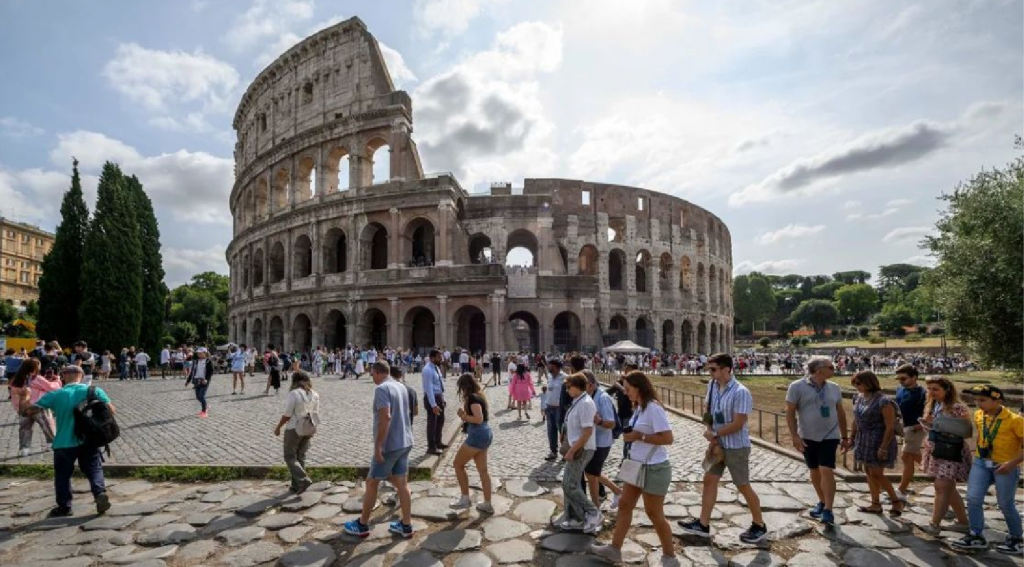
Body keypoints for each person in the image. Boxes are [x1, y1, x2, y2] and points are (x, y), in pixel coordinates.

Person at [590, 371, 677, 566]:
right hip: (636, 464)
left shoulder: (654, 408)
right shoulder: (639, 407)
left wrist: (639, 437)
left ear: (639, 388)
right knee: (624, 505)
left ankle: (669, 556)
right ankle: (614, 549)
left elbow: (668, 438)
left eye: (628, 389)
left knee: (654, 513)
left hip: (654, 468)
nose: (625, 392)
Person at [678, 353, 767, 543]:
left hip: (736, 446)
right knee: (709, 480)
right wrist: (709, 429)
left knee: (742, 485)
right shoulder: (712, 386)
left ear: (727, 369)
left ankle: (759, 525)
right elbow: (708, 411)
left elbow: (739, 423)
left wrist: (716, 434)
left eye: (713, 369)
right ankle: (703, 524)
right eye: (709, 369)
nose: (710, 372)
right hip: (717, 444)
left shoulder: (741, 392)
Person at [23, 365, 113, 517]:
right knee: (94, 468)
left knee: (63, 475)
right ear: (81, 376)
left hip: (63, 442)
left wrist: (25, 397)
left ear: (63, 376)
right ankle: (99, 493)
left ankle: (65, 507)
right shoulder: (94, 391)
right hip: (88, 440)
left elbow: (28, 412)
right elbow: (111, 410)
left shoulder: (55, 394)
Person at [343, 361, 415, 539]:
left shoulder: (382, 389)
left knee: (371, 482)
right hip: (405, 441)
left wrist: (378, 446)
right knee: (402, 484)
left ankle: (362, 525)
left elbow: (385, 417)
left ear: (376, 372)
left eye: (372, 374)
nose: (372, 377)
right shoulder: (401, 386)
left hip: (390, 445)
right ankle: (406, 526)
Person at [950, 385, 1024, 554]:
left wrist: (1011, 464)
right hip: (981, 463)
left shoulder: (1015, 420)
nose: (978, 403)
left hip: (1005, 465)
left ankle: (1017, 539)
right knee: (973, 498)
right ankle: (976, 535)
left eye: (982, 400)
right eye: (976, 400)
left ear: (997, 400)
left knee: (1005, 504)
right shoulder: (978, 415)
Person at [785, 355, 848, 527]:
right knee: (814, 469)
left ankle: (828, 509)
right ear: (819, 370)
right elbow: (790, 412)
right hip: (807, 435)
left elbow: (841, 412)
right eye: (831, 367)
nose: (834, 369)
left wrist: (844, 436)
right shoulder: (796, 386)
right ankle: (822, 500)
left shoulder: (834, 387)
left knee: (826, 469)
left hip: (830, 435)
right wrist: (794, 435)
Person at [845, 371, 903, 516]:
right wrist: (852, 437)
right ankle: (875, 503)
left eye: (859, 383)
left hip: (879, 439)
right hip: (863, 439)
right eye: (854, 383)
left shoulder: (884, 401)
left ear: (869, 382)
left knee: (877, 473)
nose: (856, 386)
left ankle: (896, 501)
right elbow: (856, 419)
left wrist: (883, 447)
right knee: (869, 472)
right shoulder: (858, 397)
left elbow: (890, 426)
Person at [919, 376, 972, 535]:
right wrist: (927, 423)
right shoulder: (933, 405)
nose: (931, 392)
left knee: (941, 487)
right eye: (929, 389)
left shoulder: (957, 408)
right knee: (948, 488)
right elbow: (932, 427)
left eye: (935, 389)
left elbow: (966, 431)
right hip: (936, 449)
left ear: (947, 390)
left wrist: (939, 424)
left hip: (951, 451)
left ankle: (934, 525)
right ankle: (963, 522)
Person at [553, 372, 602, 533]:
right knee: (568, 483)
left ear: (577, 387)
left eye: (569, 387)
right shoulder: (578, 401)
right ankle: (575, 517)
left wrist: (572, 450)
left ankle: (593, 512)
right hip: (575, 447)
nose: (567, 390)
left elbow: (587, 431)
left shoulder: (586, 403)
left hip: (582, 449)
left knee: (570, 484)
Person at [450, 373, 495, 513]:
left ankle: (465, 498)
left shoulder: (473, 398)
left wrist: (463, 416)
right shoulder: (479, 396)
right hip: (485, 433)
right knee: (483, 471)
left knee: (458, 464)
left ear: (464, 387)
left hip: (477, 434)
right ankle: (487, 503)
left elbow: (478, 419)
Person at [274, 370, 319, 494]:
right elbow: (315, 413)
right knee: (300, 457)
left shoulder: (294, 394)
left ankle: (303, 480)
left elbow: (287, 414)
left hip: (294, 428)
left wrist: (278, 427)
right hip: (308, 428)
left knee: (289, 456)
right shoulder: (315, 394)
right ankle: (296, 485)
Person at [583, 371, 622, 509]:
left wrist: (598, 421)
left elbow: (611, 423)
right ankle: (616, 493)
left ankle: (596, 506)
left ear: (591, 384)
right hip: (593, 441)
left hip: (602, 442)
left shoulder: (603, 397)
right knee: (592, 473)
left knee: (591, 473)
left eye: (582, 385)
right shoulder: (589, 395)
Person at [10, 359, 56, 456]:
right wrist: (57, 380)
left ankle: (24, 449)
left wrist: (18, 408)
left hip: (23, 408)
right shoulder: (37, 378)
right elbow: (52, 388)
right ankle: (51, 443)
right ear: (35, 368)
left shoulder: (16, 380)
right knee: (47, 426)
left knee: (25, 429)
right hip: (39, 406)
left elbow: (14, 397)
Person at [894, 364, 927, 500]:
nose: (901, 381)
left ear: (914, 377)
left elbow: (929, 414)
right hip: (904, 428)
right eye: (899, 379)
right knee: (910, 457)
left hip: (915, 428)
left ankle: (901, 490)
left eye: (904, 378)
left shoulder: (923, 394)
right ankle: (935, 470)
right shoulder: (900, 390)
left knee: (906, 455)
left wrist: (916, 427)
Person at [421, 349, 447, 456]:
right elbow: (429, 388)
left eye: (441, 357)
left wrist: (442, 398)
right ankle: (431, 447)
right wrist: (434, 405)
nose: (441, 359)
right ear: (432, 358)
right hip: (432, 398)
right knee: (432, 423)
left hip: (438, 397)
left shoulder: (436, 368)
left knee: (440, 421)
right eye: (439, 357)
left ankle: (438, 442)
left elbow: (439, 384)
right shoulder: (427, 370)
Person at [543, 361, 567, 461]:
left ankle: (565, 452)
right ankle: (553, 451)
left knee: (562, 431)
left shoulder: (565, 377)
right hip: (549, 407)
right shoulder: (549, 376)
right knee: (551, 431)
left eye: (551, 365)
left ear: (556, 367)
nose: (549, 367)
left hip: (559, 408)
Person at [188, 347, 215, 418]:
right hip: (196, 380)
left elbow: (211, 372)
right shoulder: (196, 361)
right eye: (198, 353)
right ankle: (206, 406)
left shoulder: (208, 361)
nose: (199, 354)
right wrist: (188, 380)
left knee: (202, 396)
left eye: (200, 353)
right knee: (198, 397)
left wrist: (206, 379)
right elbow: (192, 371)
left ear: (204, 353)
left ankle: (204, 411)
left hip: (204, 381)